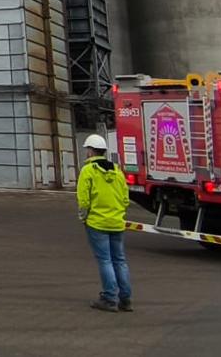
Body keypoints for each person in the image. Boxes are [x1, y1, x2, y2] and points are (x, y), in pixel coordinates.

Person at [77, 133, 132, 312]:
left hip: (97, 222)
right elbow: (125, 198)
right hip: (117, 222)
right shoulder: (117, 170)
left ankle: (109, 298)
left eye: (87, 150)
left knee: (105, 260)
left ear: (91, 151)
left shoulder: (88, 171)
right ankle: (126, 299)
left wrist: (83, 216)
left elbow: (83, 199)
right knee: (120, 260)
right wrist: (118, 213)